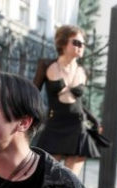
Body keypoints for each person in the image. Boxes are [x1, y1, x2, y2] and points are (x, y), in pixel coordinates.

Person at [33, 25, 101, 177]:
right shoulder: (47, 65)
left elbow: (78, 104)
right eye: (76, 42)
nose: (81, 47)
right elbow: (32, 93)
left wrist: (94, 120)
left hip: (77, 126)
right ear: (63, 43)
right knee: (49, 177)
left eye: (83, 44)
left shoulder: (82, 71)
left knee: (71, 181)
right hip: (55, 124)